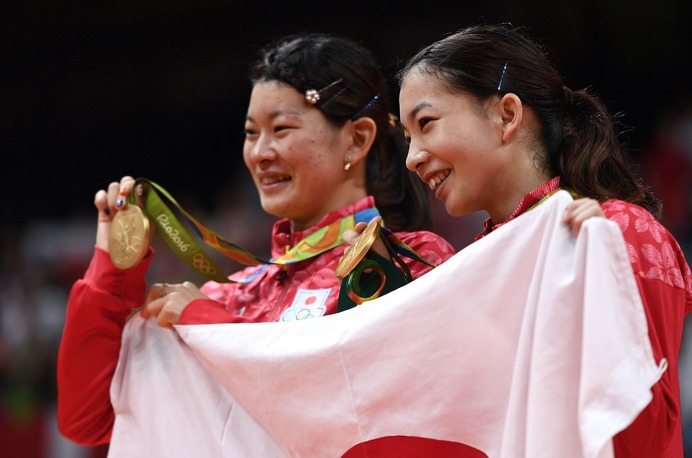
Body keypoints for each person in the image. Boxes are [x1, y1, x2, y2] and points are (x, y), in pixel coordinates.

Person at [56, 32, 456, 446]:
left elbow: (383, 414)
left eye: (281, 128)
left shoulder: (412, 261)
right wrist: (111, 276)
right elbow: (88, 419)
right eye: (251, 133)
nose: (260, 152)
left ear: (356, 138)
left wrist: (216, 330)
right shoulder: (227, 298)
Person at [390, 23, 692, 457]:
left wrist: (596, 273)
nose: (412, 157)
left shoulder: (618, 231)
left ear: (506, 115)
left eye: (426, 123)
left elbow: (640, 429)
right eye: (407, 138)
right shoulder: (469, 267)